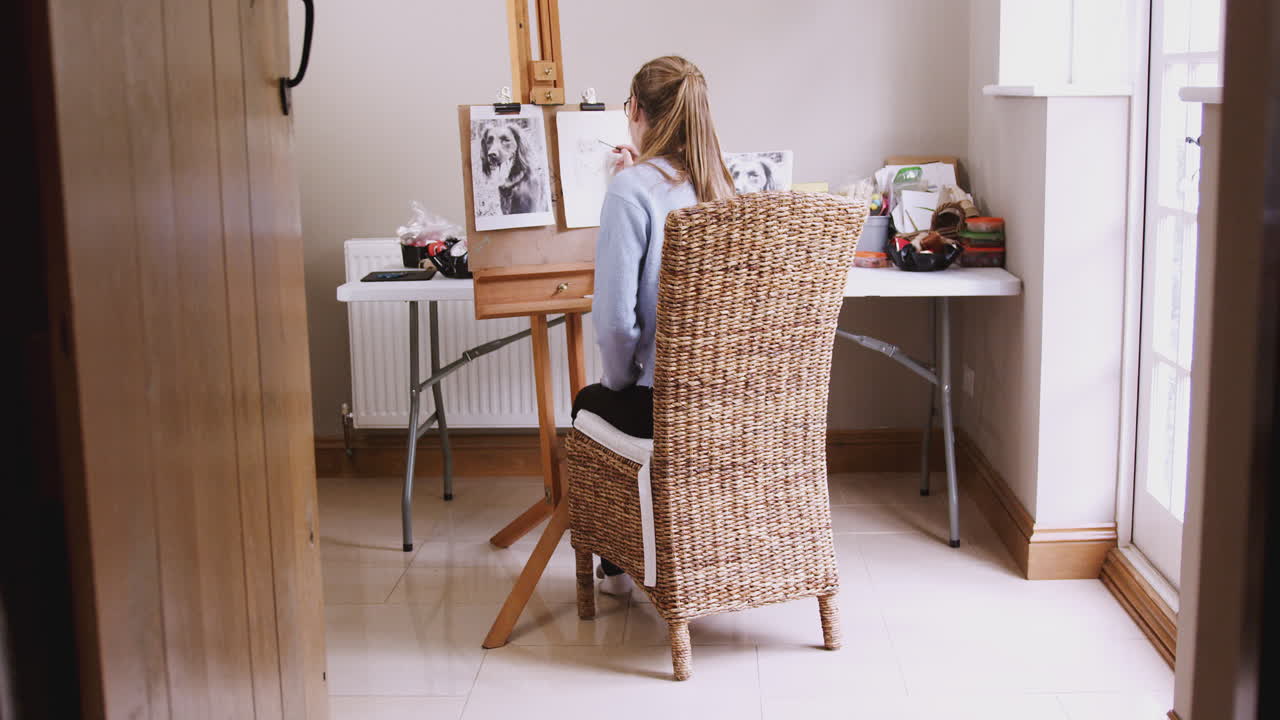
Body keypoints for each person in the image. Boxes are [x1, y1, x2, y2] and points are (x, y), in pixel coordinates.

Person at [570, 55, 736, 595]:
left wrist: (616, 384)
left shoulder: (631, 190)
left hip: (667, 408)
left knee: (588, 401)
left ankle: (620, 565)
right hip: (733, 404)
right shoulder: (725, 187)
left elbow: (617, 324)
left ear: (636, 109)